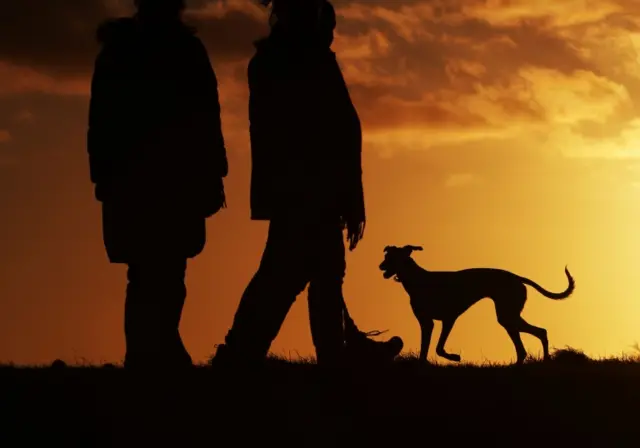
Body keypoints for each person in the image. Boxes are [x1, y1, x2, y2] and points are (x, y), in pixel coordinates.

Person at [212, 0, 402, 367]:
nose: (328, 35)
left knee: (309, 273)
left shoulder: (297, 60)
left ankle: (329, 351)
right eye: (322, 25)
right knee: (294, 276)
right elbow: (319, 134)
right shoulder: (292, 63)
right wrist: (344, 196)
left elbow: (340, 131)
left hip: (309, 190)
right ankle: (258, 352)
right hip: (306, 191)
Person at [87, 0, 228, 371]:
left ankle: (158, 349)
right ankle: (151, 353)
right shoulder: (132, 52)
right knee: (154, 272)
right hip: (147, 180)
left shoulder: (175, 50)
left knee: (164, 272)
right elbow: (102, 120)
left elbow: (206, 116)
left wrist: (214, 172)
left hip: (167, 180)